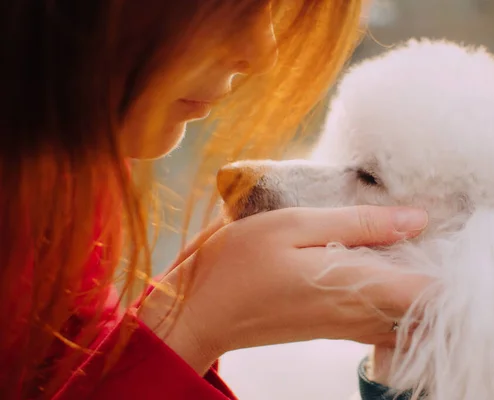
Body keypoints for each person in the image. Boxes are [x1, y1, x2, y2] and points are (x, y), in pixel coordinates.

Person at [0, 1, 430, 399]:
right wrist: (192, 327)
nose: (263, 55)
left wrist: (182, 309)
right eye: (234, 8)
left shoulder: (67, 164)